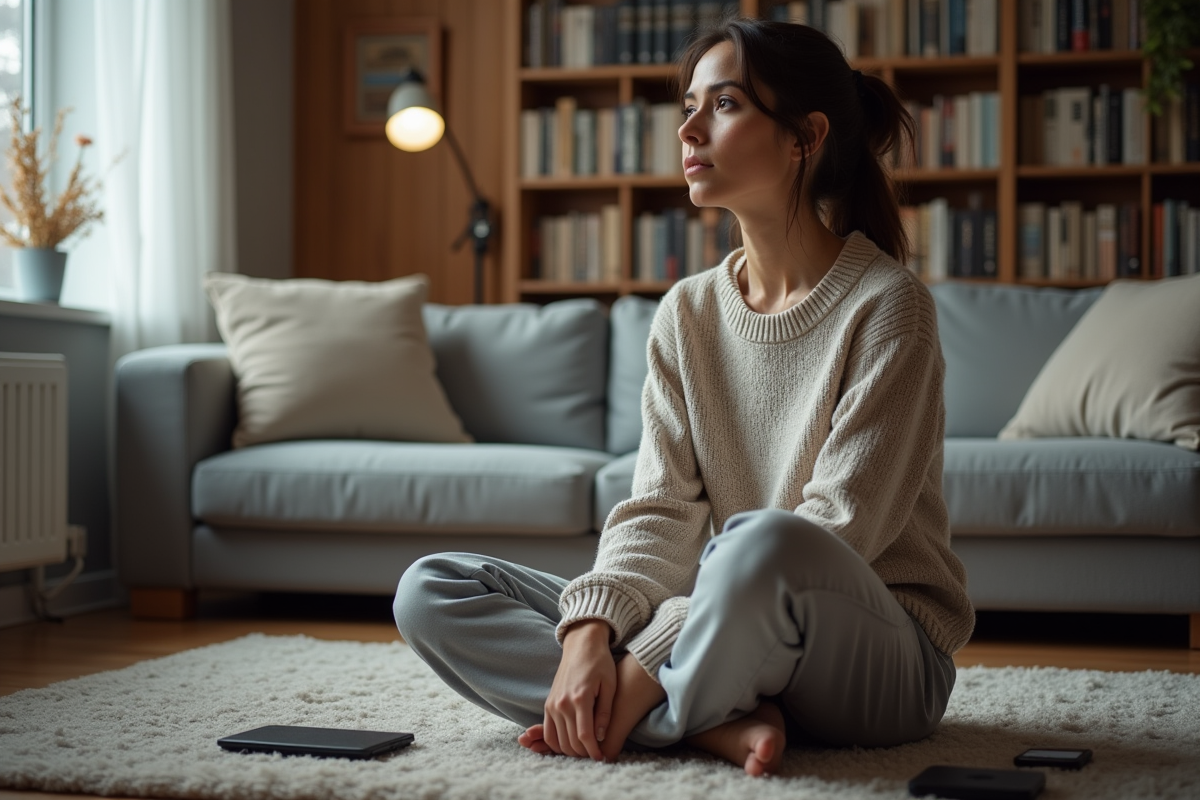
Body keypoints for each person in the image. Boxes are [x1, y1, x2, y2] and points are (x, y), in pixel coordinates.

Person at [393, 17, 974, 777]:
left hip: (875, 656)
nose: (689, 127)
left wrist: (645, 652)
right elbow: (662, 510)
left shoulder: (888, 305)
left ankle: (649, 703)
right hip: (729, 626)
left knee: (764, 542)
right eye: (689, 106)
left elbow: (835, 536)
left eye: (724, 105)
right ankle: (707, 722)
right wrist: (590, 635)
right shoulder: (687, 312)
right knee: (430, 589)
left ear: (807, 135)